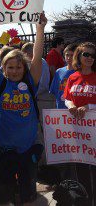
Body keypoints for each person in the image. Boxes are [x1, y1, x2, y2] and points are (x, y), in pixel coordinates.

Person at [0, 11, 47, 205]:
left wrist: (40, 28)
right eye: (10, 67)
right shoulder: (0, 83)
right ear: (3, 69)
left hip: (27, 149)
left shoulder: (30, 81)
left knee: (27, 194)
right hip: (4, 148)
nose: (15, 70)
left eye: (19, 67)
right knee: (4, 194)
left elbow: (37, 56)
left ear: (24, 68)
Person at [64, 42, 96, 206]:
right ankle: (86, 200)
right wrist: (71, 106)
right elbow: (67, 98)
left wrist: (88, 107)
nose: (90, 58)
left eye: (93, 55)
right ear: (79, 56)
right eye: (86, 54)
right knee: (81, 169)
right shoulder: (72, 77)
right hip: (78, 132)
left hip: (95, 132)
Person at [50, 43, 77, 109]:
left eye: (72, 55)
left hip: (75, 110)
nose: (69, 58)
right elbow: (55, 93)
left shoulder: (81, 72)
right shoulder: (58, 71)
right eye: (67, 55)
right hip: (60, 110)